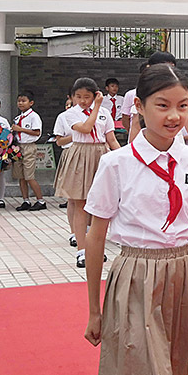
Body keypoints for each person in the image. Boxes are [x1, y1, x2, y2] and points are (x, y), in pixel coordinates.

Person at [83, 63, 188, 375]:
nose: (174, 116)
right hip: (136, 275)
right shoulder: (116, 164)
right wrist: (93, 309)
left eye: (182, 106)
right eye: (162, 106)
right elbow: (95, 237)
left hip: (184, 272)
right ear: (138, 106)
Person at [54, 78, 121, 267]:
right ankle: (81, 250)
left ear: (95, 95)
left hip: (101, 153)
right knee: (80, 202)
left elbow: (111, 138)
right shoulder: (71, 113)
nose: (83, 100)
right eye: (78, 96)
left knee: (100, 203)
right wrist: (97, 107)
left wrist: (123, 157)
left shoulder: (105, 113)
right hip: (80, 154)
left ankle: (96, 248)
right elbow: (85, 128)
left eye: (87, 97)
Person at [11, 90, 47, 211]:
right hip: (18, 147)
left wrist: (20, 129)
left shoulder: (34, 117)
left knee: (29, 176)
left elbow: (37, 132)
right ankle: (25, 200)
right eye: (19, 101)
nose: (20, 103)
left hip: (29, 146)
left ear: (31, 103)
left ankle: (40, 200)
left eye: (23, 101)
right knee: (20, 176)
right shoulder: (18, 117)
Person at [54, 95, 77, 245]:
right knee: (73, 197)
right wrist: (76, 133)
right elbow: (59, 141)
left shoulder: (94, 114)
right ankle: (74, 232)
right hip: (70, 153)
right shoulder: (63, 117)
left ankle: (88, 229)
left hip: (92, 153)